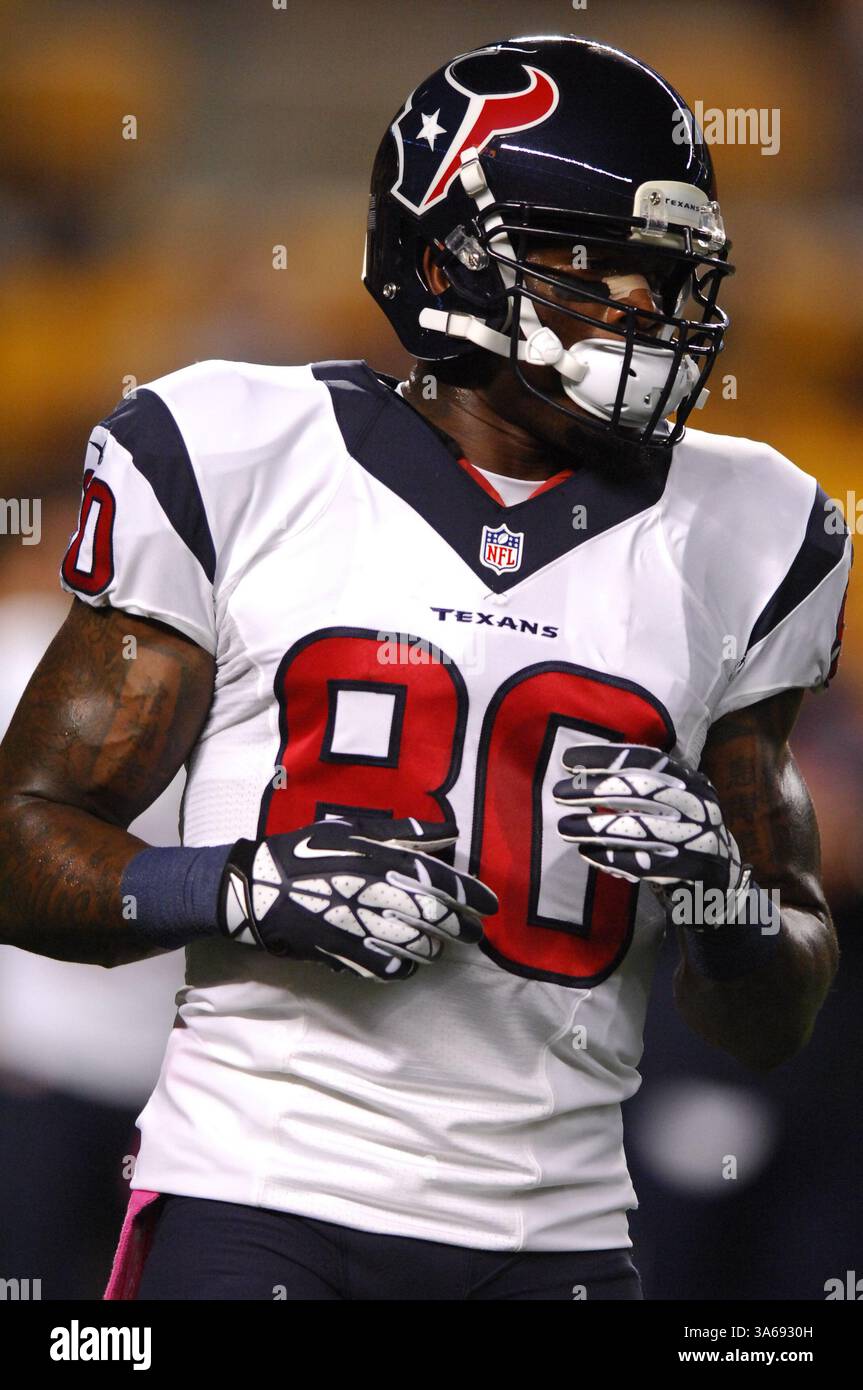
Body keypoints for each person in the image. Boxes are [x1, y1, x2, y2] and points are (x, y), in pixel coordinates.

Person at [0, 35, 850, 1301]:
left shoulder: (752, 527)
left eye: (664, 273)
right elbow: (23, 847)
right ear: (444, 253)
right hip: (259, 1199)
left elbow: (771, 1013)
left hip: (557, 1237)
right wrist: (235, 887)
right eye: (587, 261)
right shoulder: (237, 454)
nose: (642, 307)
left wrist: (718, 897)